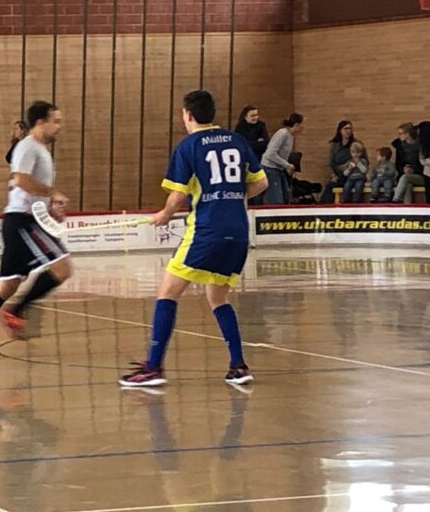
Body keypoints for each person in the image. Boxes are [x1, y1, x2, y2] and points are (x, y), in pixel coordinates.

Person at [119, 90, 268, 389]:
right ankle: (238, 366)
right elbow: (261, 183)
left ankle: (154, 367)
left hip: (207, 231)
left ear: (187, 115)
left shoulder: (188, 146)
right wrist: (231, 197)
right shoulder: (237, 141)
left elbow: (178, 195)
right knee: (218, 298)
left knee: (167, 293)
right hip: (238, 232)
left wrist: (164, 214)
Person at [0, 101, 72, 359]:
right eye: (56, 121)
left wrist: (49, 208)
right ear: (40, 122)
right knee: (63, 268)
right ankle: (16, 311)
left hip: (24, 220)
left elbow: (28, 190)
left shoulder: (40, 150)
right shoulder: (28, 146)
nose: (59, 127)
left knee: (7, 286)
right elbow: (21, 180)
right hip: (23, 222)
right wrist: (53, 193)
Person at [260, 113, 303, 206]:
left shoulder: (291, 136)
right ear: (296, 125)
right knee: (277, 200)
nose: (302, 128)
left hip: (279, 168)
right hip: (270, 168)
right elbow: (270, 154)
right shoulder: (282, 134)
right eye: (301, 125)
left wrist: (286, 167)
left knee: (286, 197)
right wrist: (287, 165)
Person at [320, 120, 366, 204]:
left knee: (352, 185)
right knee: (330, 186)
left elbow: (364, 160)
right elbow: (330, 163)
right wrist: (333, 175)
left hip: (352, 174)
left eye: (350, 128)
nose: (348, 131)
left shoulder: (356, 144)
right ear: (340, 130)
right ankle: (323, 207)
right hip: (339, 175)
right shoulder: (335, 145)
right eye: (345, 129)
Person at [391, 123, 424, 204]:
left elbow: (424, 164)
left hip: (420, 174)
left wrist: (413, 170)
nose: (399, 136)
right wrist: (403, 169)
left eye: (400, 133)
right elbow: (398, 164)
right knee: (407, 184)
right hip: (405, 174)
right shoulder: (400, 146)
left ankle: (396, 200)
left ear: (408, 134)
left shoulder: (420, 146)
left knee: (405, 178)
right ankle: (407, 206)